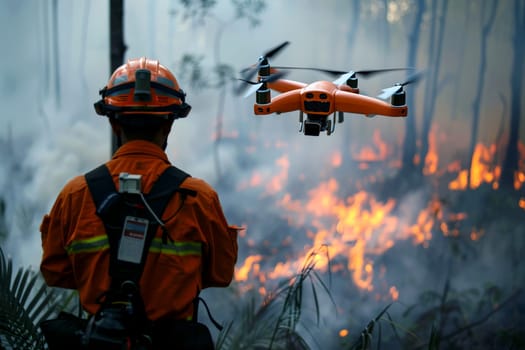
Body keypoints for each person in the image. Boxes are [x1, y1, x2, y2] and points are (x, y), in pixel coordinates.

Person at [39, 57, 239, 349]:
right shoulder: (198, 199)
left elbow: (55, 271)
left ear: (113, 122)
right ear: (169, 124)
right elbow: (220, 275)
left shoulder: (75, 196)